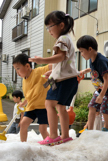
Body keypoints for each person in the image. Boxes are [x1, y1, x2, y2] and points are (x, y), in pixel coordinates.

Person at [29, 11, 79, 145]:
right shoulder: (67, 38)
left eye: (50, 27)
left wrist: (42, 60)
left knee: (49, 104)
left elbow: (60, 57)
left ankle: (53, 135)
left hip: (63, 80)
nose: (48, 30)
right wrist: (50, 72)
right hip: (69, 79)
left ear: (61, 25)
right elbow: (61, 63)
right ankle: (65, 135)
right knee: (61, 107)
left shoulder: (62, 39)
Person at [76, 35, 108, 132]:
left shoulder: (101, 61)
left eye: (82, 51)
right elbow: (95, 69)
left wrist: (101, 95)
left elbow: (107, 80)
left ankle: (107, 127)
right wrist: (86, 70)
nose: (81, 54)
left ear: (90, 49)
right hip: (101, 89)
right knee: (92, 107)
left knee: (104, 108)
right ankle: (90, 130)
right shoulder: (92, 59)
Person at [13, 54, 50, 142]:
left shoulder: (39, 71)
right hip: (31, 107)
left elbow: (54, 64)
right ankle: (23, 145)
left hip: (43, 107)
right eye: (15, 69)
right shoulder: (24, 80)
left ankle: (50, 145)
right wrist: (23, 103)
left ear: (27, 66)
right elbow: (29, 95)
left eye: (18, 68)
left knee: (42, 129)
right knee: (23, 124)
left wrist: (43, 60)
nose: (17, 72)